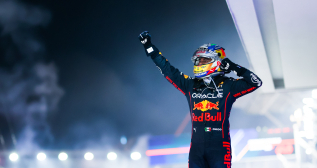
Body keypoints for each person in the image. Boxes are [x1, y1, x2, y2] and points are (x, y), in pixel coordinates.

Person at [138, 31, 262, 168]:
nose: (199, 63)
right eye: (198, 60)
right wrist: (150, 47)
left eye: (204, 60)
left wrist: (233, 66)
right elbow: (167, 70)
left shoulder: (229, 85)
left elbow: (256, 82)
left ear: (217, 61)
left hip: (220, 147)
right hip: (196, 148)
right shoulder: (190, 85)